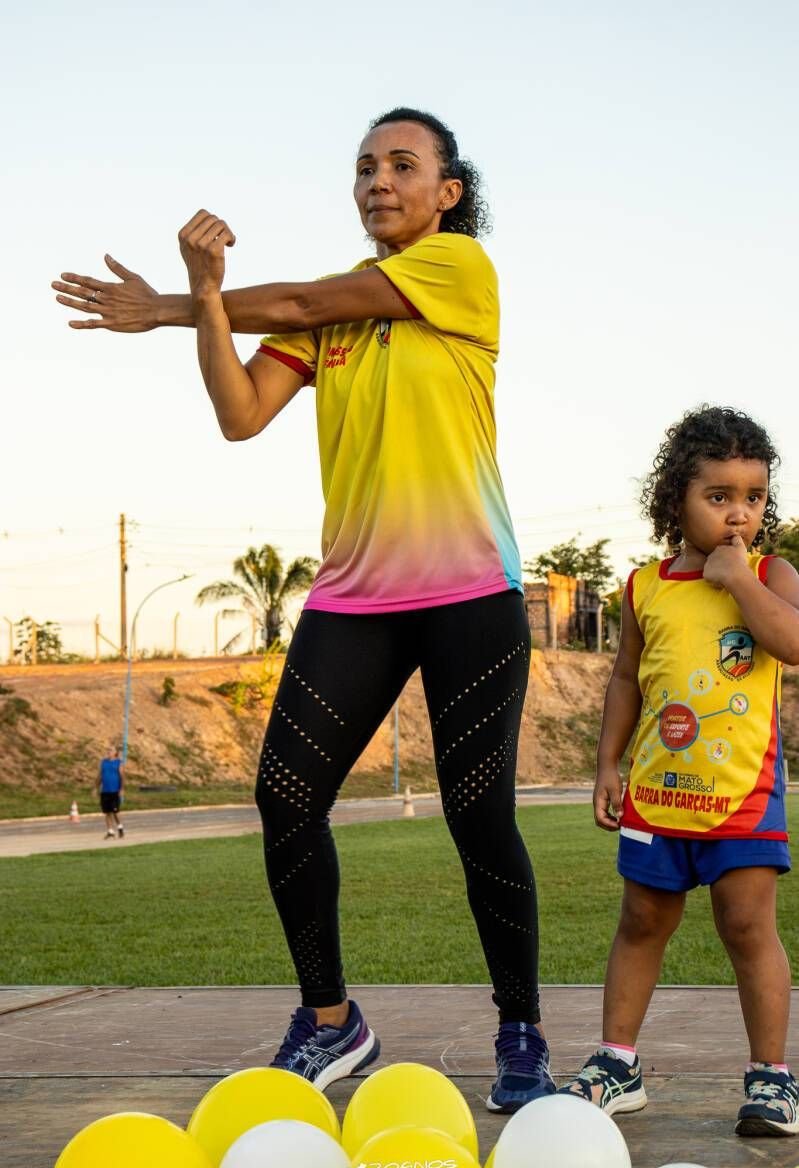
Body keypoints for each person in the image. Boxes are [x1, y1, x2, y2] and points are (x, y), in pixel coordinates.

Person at [52, 108, 553, 1112]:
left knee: (475, 812)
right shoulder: (317, 319)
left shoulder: (459, 269)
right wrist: (199, 297)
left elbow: (304, 293)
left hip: (469, 590)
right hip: (355, 595)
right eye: (365, 166)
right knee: (286, 794)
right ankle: (331, 1021)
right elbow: (239, 415)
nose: (379, 179)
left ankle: (520, 1029)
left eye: (403, 165)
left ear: (448, 191)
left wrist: (163, 309)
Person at [558, 407, 799, 1136]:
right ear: (675, 501)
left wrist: (738, 582)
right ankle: (616, 1064)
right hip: (658, 795)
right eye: (717, 495)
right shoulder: (643, 587)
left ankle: (770, 1078)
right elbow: (626, 679)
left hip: (742, 798)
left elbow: (791, 642)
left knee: (746, 924)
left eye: (752, 497)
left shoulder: (769, 572)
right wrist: (607, 761)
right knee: (640, 920)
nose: (737, 514)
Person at [97, 744, 125, 839]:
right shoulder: (103, 762)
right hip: (105, 791)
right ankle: (110, 831)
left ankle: (120, 827)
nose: (109, 751)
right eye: (108, 750)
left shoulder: (118, 763)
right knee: (107, 812)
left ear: (115, 753)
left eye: (111, 750)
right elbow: (100, 775)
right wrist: (95, 787)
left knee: (115, 811)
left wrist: (121, 789)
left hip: (114, 790)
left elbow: (122, 777)